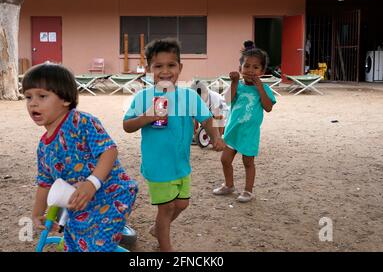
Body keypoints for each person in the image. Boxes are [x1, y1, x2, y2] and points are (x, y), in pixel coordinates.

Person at [123, 38, 225, 252]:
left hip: (181, 164)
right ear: (149, 69)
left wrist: (215, 137)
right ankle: (165, 247)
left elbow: (207, 119)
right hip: (158, 166)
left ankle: (158, 228)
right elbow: (127, 125)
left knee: (182, 204)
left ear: (180, 67)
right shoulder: (143, 97)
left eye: (171, 65)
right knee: (166, 208)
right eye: (158, 66)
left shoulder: (189, 96)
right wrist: (146, 117)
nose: (165, 71)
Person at [23, 63, 138, 252]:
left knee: (95, 246)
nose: (33, 103)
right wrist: (37, 214)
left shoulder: (81, 122)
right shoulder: (44, 147)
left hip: (111, 195)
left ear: (66, 99)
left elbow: (109, 151)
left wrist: (92, 182)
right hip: (78, 204)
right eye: (28, 97)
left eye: (42, 96)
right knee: (73, 244)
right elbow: (45, 183)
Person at [213, 40, 276, 203]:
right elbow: (227, 101)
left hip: (249, 133)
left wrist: (260, 86)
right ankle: (229, 185)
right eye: (247, 66)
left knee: (248, 162)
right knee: (224, 160)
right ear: (240, 68)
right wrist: (233, 82)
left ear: (262, 71)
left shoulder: (265, 89)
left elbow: (268, 107)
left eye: (256, 67)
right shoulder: (238, 86)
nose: (250, 70)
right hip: (233, 130)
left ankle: (248, 191)